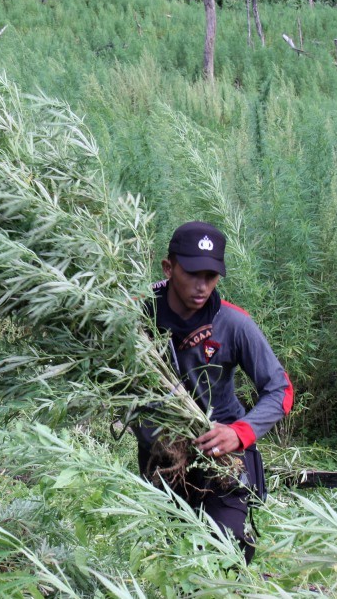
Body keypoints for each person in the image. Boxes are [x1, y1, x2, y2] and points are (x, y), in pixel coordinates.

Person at [134, 221, 294, 563]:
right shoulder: (134, 317)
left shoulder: (233, 323)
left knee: (229, 549)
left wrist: (240, 433)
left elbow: (280, 389)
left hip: (222, 457)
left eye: (211, 275)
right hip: (161, 459)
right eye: (192, 273)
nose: (202, 285)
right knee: (172, 558)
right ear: (168, 267)